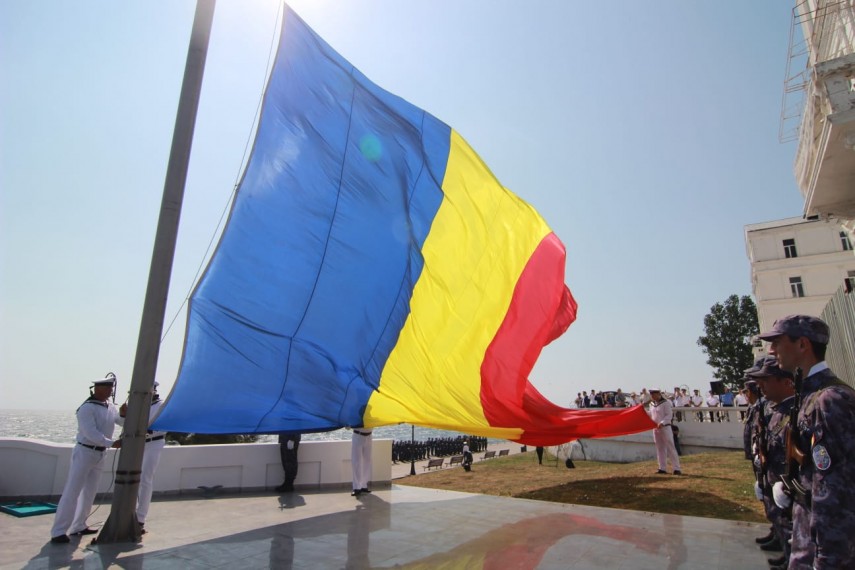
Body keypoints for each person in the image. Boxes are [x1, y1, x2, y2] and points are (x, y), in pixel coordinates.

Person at [757, 314, 855, 569]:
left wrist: (827, 557)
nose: (772, 350)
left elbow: (834, 487)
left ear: (803, 345)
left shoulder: (828, 399)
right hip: (809, 530)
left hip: (823, 542)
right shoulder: (809, 395)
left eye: (778, 342)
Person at [50, 374, 125, 543]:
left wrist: (124, 414)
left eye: (111, 388)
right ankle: (58, 531)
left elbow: (119, 420)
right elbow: (89, 433)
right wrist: (112, 443)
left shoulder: (110, 406)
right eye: (107, 388)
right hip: (85, 452)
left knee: (90, 492)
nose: (110, 391)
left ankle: (79, 525)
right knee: (73, 490)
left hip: (100, 453)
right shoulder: (87, 408)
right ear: (97, 389)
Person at [748, 357, 795, 568]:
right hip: (772, 470)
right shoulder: (773, 408)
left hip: (787, 477)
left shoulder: (791, 409)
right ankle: (786, 551)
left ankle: (790, 556)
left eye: (765, 380)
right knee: (779, 517)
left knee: (790, 522)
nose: (760, 386)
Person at [136, 381, 166, 533]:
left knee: (145, 479)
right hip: (139, 444)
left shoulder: (160, 405)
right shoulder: (140, 405)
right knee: (135, 479)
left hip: (153, 443)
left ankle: (140, 518)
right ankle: (133, 513)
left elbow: (162, 425)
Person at [646, 388, 681, 475]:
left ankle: (676, 468)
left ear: (658, 394)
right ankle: (662, 468)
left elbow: (669, 415)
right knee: (660, 448)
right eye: (651, 395)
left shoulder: (666, 403)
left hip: (665, 427)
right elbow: (651, 414)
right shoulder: (652, 404)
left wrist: (662, 423)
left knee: (670, 448)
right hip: (656, 428)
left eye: (653, 394)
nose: (652, 396)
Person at [350, 428, 373, 497]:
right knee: (356, 461)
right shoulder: (355, 416)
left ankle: (363, 485)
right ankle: (356, 487)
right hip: (358, 435)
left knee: (367, 461)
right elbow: (348, 425)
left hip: (369, 436)